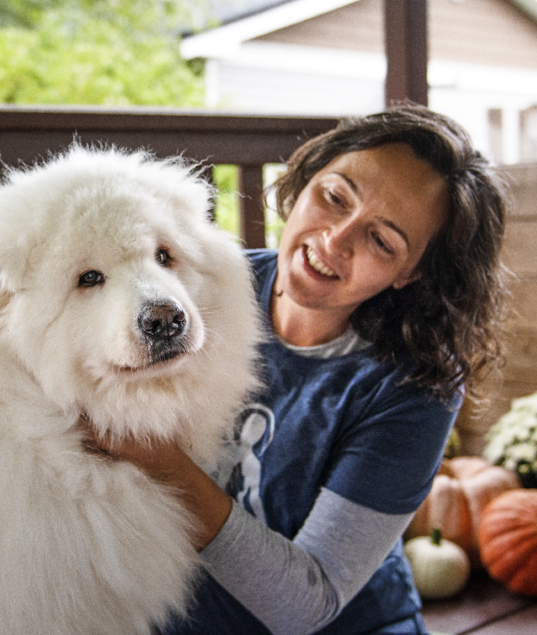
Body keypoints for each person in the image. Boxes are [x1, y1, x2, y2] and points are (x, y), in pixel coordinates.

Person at [84, 104, 510, 635]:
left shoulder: (416, 384)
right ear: (308, 178)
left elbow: (306, 606)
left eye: (382, 240)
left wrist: (163, 466)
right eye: (335, 197)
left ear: (412, 272)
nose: (335, 239)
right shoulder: (205, 286)